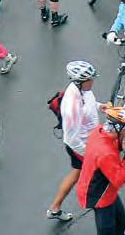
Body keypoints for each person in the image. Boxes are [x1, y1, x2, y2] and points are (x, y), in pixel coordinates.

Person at [47, 60, 100, 222]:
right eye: (90, 79)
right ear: (80, 81)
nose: (93, 82)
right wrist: (88, 154)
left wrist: (101, 106)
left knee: (76, 173)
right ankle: (102, 206)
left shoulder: (83, 90)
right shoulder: (71, 106)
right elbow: (71, 138)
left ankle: (55, 208)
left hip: (89, 140)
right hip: (80, 146)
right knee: (98, 176)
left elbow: (89, 105)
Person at [77, 104, 125, 235]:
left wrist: (122, 145)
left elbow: (113, 147)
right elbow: (119, 180)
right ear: (118, 128)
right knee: (107, 230)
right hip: (100, 196)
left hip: (105, 190)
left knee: (122, 221)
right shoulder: (106, 154)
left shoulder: (98, 132)